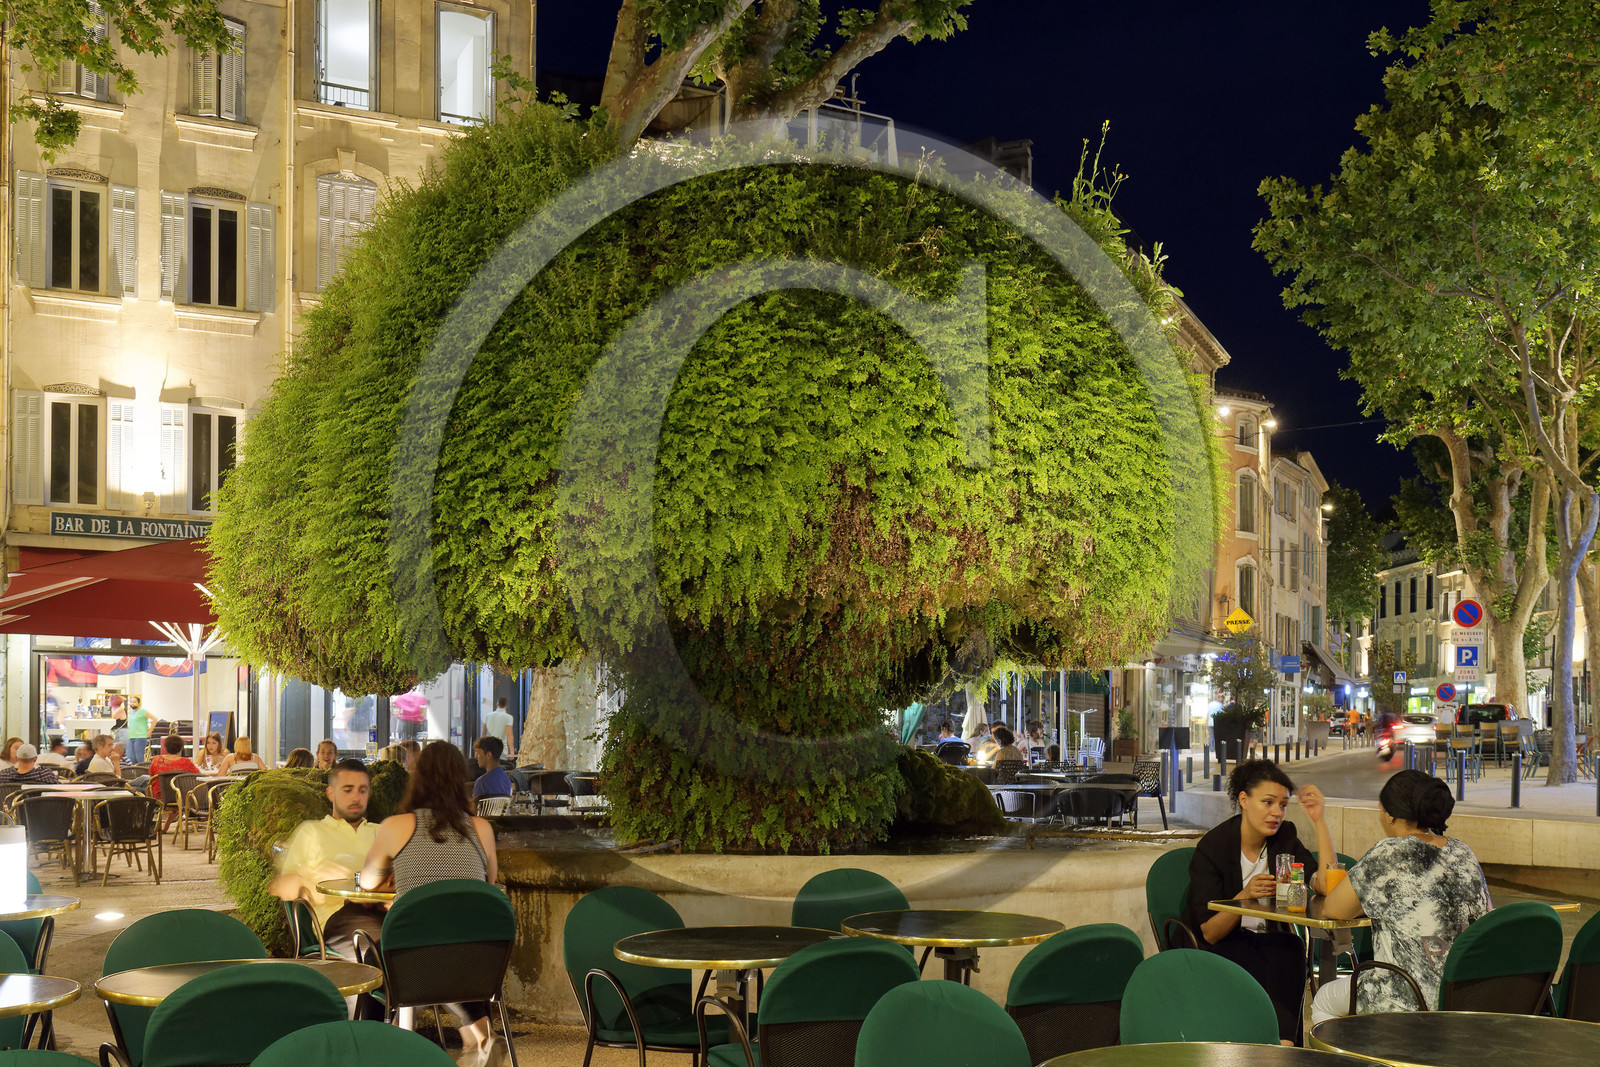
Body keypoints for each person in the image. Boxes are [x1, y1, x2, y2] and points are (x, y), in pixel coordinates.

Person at [1310, 769, 1490, 1025]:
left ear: (1391, 815)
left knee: (1324, 1000)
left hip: (1407, 997)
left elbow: (1333, 909)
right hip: (1467, 994)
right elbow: (1486, 922)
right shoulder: (1463, 852)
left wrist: (1370, 901)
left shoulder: (1388, 853)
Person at [361, 742, 503, 1065]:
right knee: (448, 944)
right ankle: (482, 1034)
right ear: (460, 779)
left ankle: (375, 1044)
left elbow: (368, 882)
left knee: (374, 952)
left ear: (418, 776)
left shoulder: (396, 827)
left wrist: (396, 877)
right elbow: (487, 888)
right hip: (476, 959)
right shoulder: (482, 829)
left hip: (413, 957)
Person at [1187, 760, 1333, 1044]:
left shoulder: (1283, 837)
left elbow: (1325, 884)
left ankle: (1283, 1046)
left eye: (1282, 804)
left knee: (1290, 947)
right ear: (1244, 799)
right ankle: (1273, 1047)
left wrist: (1320, 822)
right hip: (1222, 943)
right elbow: (1209, 933)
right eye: (1267, 802)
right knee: (1260, 956)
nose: (1276, 813)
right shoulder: (1214, 847)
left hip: (1270, 940)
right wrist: (1243, 898)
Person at [272, 759, 386, 1019]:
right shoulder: (312, 832)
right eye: (348, 789)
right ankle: (372, 1033)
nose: (356, 797)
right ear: (331, 793)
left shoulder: (383, 833)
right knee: (383, 952)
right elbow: (283, 887)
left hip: (386, 915)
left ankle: (476, 1036)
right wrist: (315, 875)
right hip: (337, 923)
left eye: (363, 790)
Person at [144, 735, 202, 826]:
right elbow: (198, 776)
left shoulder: (157, 760)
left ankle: (159, 825)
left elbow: (151, 776)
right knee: (180, 793)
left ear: (165, 747)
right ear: (181, 748)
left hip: (160, 796)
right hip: (181, 797)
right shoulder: (186, 762)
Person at [126, 696, 151, 765]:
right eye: (131, 702)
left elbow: (154, 719)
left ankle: (142, 772)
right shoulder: (131, 711)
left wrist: (149, 732)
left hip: (140, 737)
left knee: (139, 758)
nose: (132, 703)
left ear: (139, 703)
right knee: (130, 757)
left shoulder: (142, 711)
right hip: (131, 737)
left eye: (134, 702)